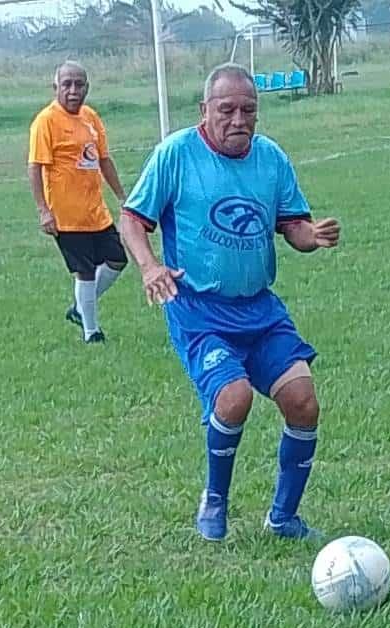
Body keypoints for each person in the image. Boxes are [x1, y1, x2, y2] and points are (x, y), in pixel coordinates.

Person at [120, 63, 341, 541]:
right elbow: (132, 219)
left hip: (259, 309)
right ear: (205, 111)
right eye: (227, 110)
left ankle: (284, 518)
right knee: (233, 396)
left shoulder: (271, 158)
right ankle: (215, 499)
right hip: (200, 311)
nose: (239, 119)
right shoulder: (176, 154)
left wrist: (312, 236)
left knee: (303, 402)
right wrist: (149, 266)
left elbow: (293, 227)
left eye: (248, 110)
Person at [28, 61, 129, 343]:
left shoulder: (91, 117)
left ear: (87, 87)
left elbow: (104, 160)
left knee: (118, 260)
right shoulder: (46, 121)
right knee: (84, 271)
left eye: (79, 84)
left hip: (95, 211)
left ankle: (79, 308)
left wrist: (122, 197)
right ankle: (91, 331)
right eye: (67, 84)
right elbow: (35, 167)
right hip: (66, 214)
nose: (73, 91)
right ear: (55, 87)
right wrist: (43, 211)